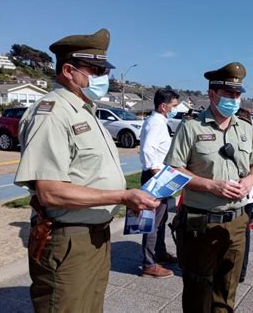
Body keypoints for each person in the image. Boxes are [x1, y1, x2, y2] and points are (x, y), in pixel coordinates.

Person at [13, 29, 160, 312]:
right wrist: (122, 196)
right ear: (68, 70)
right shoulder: (52, 113)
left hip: (94, 235)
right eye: (95, 69)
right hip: (68, 240)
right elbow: (50, 192)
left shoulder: (83, 110)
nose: (103, 77)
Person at [165, 62, 253, 312]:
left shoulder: (246, 128)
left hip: (238, 221)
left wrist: (250, 181)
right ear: (212, 94)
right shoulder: (191, 128)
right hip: (201, 223)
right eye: (228, 94)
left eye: (237, 94)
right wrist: (211, 186)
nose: (234, 99)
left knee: (227, 289)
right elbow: (173, 170)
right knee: (198, 291)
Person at [139, 88, 180, 278]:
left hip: (159, 174)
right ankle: (149, 263)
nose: (175, 108)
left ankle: (160, 252)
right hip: (154, 177)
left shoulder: (160, 121)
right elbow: (148, 150)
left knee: (162, 219)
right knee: (152, 222)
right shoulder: (155, 123)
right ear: (163, 106)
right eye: (173, 105)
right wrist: (157, 173)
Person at [235, 108, 253, 283]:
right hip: (245, 196)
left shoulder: (245, 133)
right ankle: (240, 272)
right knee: (243, 234)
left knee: (242, 234)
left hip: (245, 196)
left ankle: (240, 272)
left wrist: (249, 179)